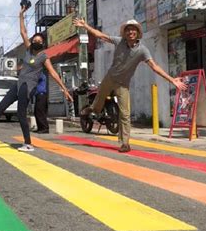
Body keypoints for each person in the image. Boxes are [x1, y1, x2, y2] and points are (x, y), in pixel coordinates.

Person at [72, 17, 187, 152]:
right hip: (109, 78)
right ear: (124, 33)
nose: (130, 32)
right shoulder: (119, 41)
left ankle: (125, 143)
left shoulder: (142, 50)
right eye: (128, 30)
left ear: (137, 33)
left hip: (123, 85)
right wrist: (85, 26)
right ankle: (91, 109)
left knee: (125, 114)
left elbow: (154, 66)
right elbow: (100, 35)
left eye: (133, 30)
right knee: (99, 100)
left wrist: (172, 79)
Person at [0, 3, 73, 152]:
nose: (36, 42)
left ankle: (28, 144)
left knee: (20, 113)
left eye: (39, 41)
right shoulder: (28, 50)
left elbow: (53, 73)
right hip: (19, 84)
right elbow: (23, 32)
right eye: (35, 40)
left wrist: (64, 89)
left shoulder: (44, 56)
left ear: (43, 43)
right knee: (1, 106)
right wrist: (21, 14)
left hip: (28, 87)